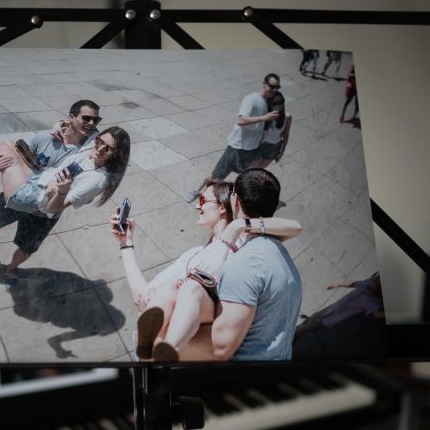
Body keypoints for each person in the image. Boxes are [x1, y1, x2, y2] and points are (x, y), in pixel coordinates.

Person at [111, 178, 302, 361]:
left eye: (202, 200)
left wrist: (240, 225)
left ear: (221, 207)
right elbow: (142, 296)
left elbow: (294, 227)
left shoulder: (248, 243)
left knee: (191, 289)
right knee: (171, 288)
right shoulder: (193, 255)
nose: (197, 206)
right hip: (181, 332)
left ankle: (163, 346)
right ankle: (152, 345)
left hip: (207, 322)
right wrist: (126, 244)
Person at [0, 100, 124, 285]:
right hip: (29, 186)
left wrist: (70, 191)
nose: (92, 124)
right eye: (86, 118)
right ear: (71, 118)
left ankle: (10, 270)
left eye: (96, 120)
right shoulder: (44, 138)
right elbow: (21, 163)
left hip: (44, 211)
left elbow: (88, 188)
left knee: (26, 247)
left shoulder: (92, 145)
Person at [181, 168, 303, 361]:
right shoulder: (278, 251)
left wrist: (166, 340)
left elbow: (221, 347)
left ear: (235, 201)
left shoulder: (245, 263)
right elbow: (295, 227)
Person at [256, 91, 292, 169]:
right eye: (275, 103)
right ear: (269, 104)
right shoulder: (264, 114)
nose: (279, 105)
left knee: (260, 168)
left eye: (281, 102)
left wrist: (282, 151)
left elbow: (286, 135)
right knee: (252, 167)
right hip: (260, 145)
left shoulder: (287, 117)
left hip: (274, 147)